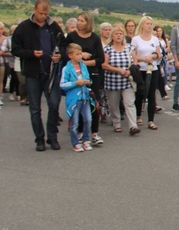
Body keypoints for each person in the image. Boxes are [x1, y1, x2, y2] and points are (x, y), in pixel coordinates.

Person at [11, 0, 65, 151]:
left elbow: (63, 45)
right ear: (34, 9)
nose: (43, 16)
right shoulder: (23, 27)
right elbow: (15, 49)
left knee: (54, 105)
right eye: (41, 13)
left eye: (46, 13)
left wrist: (59, 54)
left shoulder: (53, 26)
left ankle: (52, 137)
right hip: (33, 72)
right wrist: (31, 54)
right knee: (35, 108)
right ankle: (39, 139)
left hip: (51, 73)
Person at [63, 11, 105, 146]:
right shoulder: (71, 36)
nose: (79, 23)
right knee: (79, 103)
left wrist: (83, 62)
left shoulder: (95, 38)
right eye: (78, 20)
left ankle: (95, 134)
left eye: (82, 21)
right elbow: (66, 54)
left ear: (88, 22)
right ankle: (80, 132)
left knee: (94, 103)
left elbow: (100, 59)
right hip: (75, 74)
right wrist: (79, 59)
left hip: (91, 73)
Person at [102, 24, 139, 136]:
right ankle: (116, 123)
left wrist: (130, 70)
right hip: (112, 81)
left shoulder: (129, 48)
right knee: (113, 104)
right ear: (112, 36)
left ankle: (133, 125)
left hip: (127, 80)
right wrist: (118, 70)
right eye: (116, 34)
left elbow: (135, 61)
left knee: (129, 103)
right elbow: (104, 65)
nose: (118, 36)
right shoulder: (107, 49)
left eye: (121, 34)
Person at [60, 43, 94, 152]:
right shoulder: (66, 68)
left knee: (88, 119)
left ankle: (86, 140)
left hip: (85, 97)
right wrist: (75, 83)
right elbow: (63, 84)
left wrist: (88, 82)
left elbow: (88, 78)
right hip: (74, 98)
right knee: (74, 123)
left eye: (80, 53)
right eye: (77, 54)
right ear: (70, 55)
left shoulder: (83, 66)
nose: (80, 56)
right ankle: (75, 142)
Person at [131, 16, 163, 130]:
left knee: (151, 94)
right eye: (147, 23)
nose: (149, 26)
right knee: (140, 93)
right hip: (140, 69)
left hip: (152, 69)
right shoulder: (136, 39)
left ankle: (151, 120)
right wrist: (143, 58)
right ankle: (138, 115)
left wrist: (153, 56)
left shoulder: (154, 39)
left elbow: (159, 54)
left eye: (151, 23)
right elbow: (133, 56)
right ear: (142, 25)